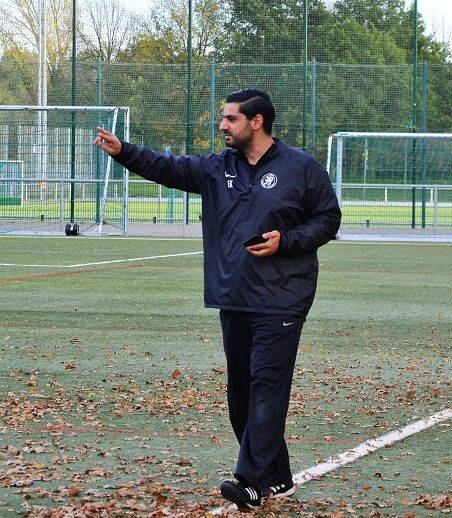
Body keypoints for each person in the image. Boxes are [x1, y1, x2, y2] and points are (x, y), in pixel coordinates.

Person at [94, 89, 341, 509]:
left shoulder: (301, 168)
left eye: (230, 119)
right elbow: (166, 168)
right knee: (241, 395)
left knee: (266, 385)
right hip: (235, 295)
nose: (223, 126)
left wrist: (288, 241)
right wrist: (124, 152)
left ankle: (250, 480)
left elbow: (329, 218)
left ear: (256, 121)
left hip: (283, 297)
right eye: (223, 119)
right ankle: (278, 476)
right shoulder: (216, 169)